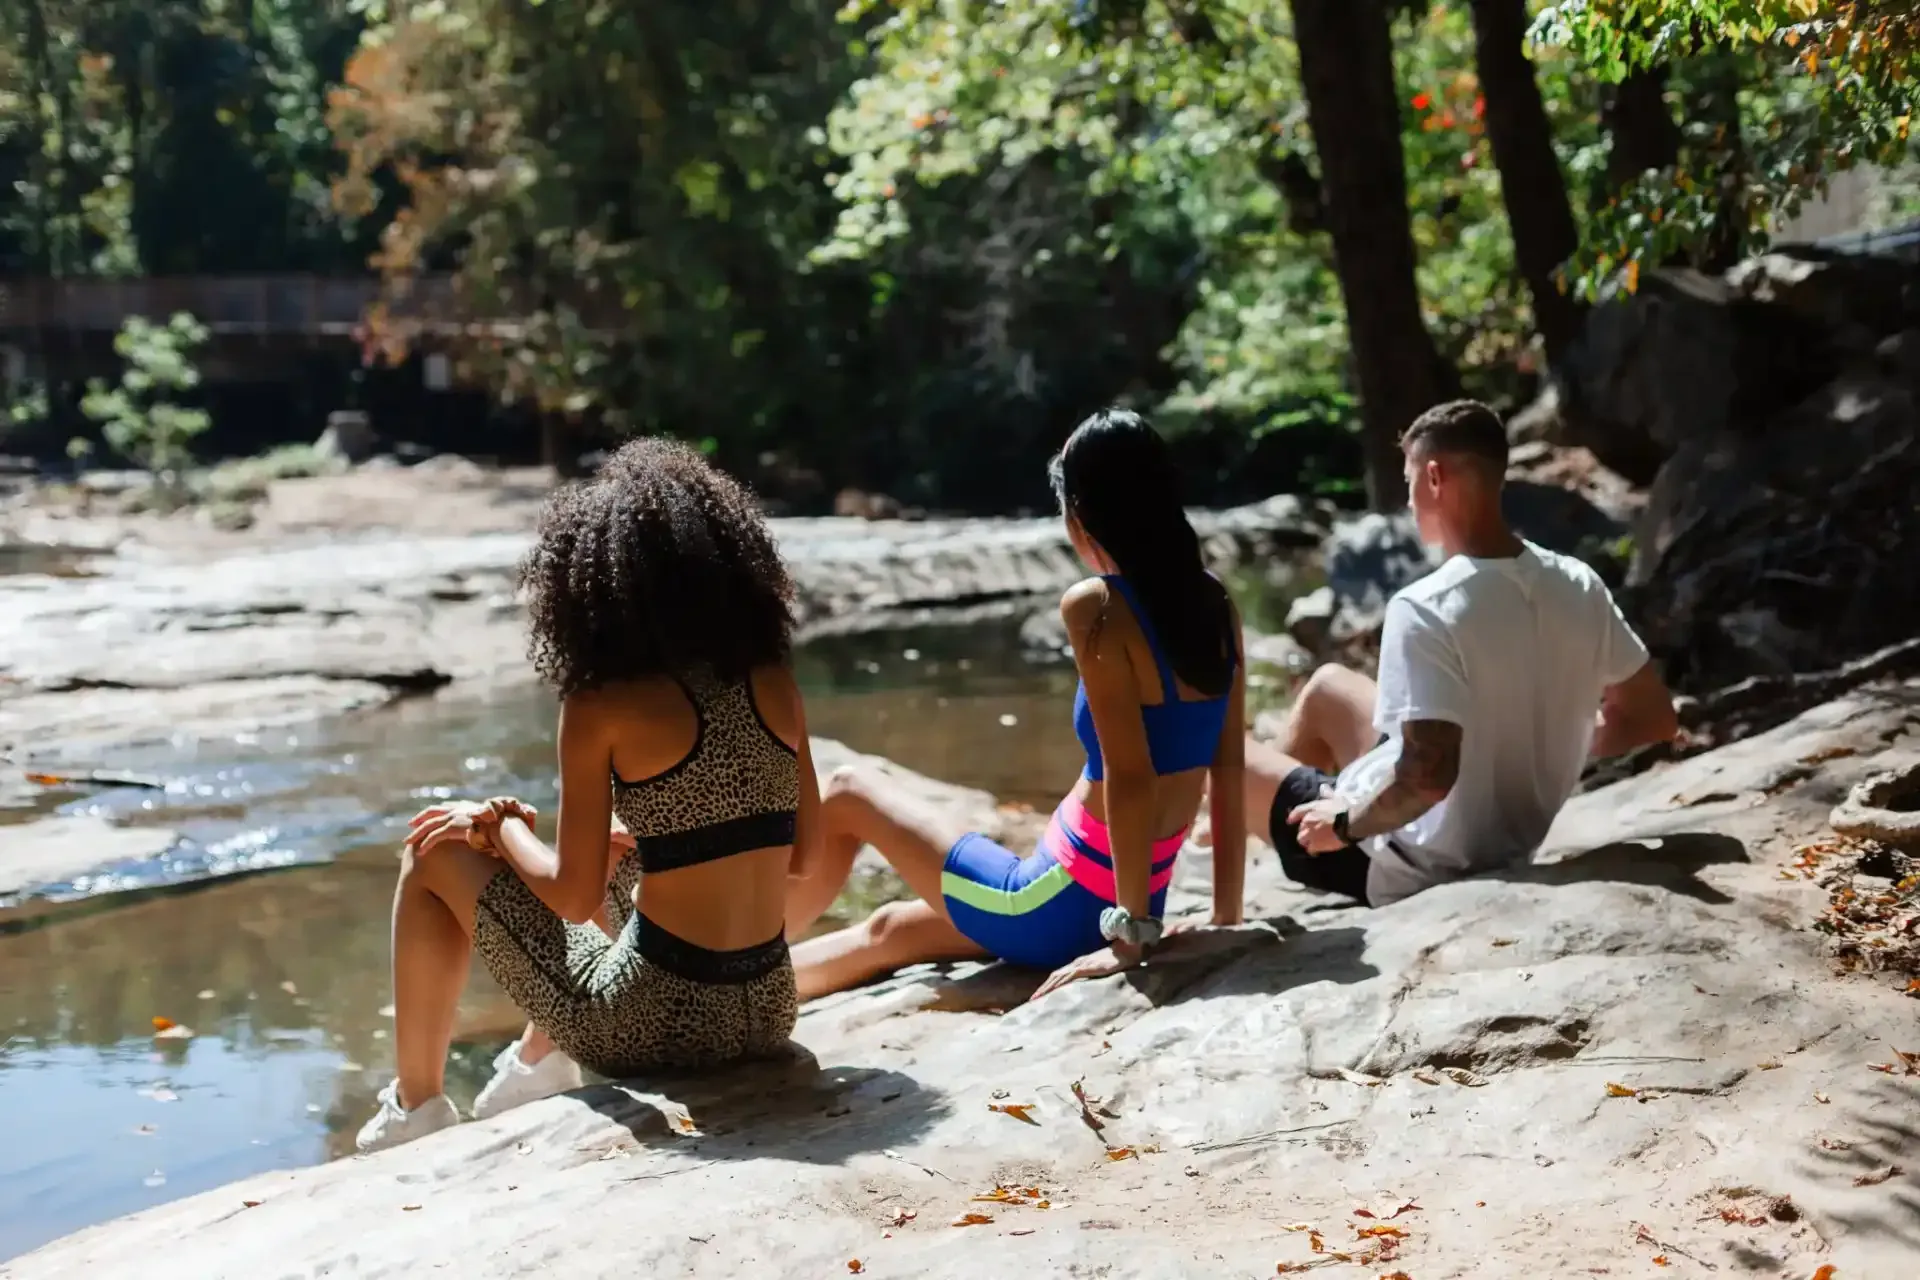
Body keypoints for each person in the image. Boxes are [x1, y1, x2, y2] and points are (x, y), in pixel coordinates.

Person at [357, 439, 816, 1153]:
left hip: (656, 1024)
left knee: (433, 851)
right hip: (767, 1010)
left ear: (594, 584)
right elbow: (803, 854)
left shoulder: (602, 703)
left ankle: (416, 1108)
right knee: (622, 852)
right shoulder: (774, 682)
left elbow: (570, 898)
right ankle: (537, 1064)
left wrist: (497, 825)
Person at [784, 408, 1247, 1002]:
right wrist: (1226, 915)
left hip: (1053, 904)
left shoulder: (1098, 607)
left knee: (848, 790)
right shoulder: (1215, 604)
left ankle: (737, 962)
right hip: (1113, 896)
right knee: (893, 929)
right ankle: (756, 995)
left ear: (1082, 515)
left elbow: (1130, 778)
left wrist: (1130, 938)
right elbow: (1229, 767)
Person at [1249, 399, 1679, 908]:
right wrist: (1539, 746)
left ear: (1433, 477)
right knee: (1326, 686)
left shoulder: (1425, 606)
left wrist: (1342, 825)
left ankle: (1232, 861)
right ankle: (1244, 829)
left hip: (1404, 864)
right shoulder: (1577, 582)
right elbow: (1654, 719)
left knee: (1221, 756)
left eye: (1409, 481)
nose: (1409, 502)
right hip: (1508, 840)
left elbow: (1428, 778)